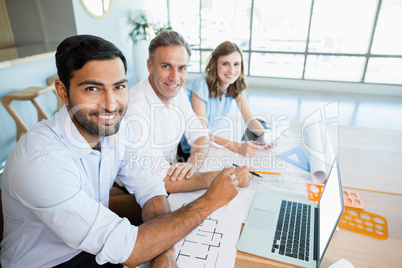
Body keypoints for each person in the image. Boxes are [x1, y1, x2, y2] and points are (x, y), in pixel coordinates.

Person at [0, 34, 243, 268]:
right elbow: (132, 250)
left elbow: (151, 188)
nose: (111, 104)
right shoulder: (40, 163)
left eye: (118, 87)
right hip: (54, 262)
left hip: (95, 247)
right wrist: (211, 200)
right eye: (93, 89)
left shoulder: (119, 129)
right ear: (63, 92)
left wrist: (164, 253)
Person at [125, 31, 253, 193]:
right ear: (150, 66)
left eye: (182, 68)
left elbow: (200, 135)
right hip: (138, 190)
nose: (175, 77)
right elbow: (160, 180)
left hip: (173, 169)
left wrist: (192, 165)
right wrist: (229, 176)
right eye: (166, 66)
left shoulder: (177, 93)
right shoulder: (135, 110)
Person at [181, 41, 272, 158]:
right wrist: (238, 147)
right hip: (192, 148)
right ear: (215, 65)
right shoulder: (200, 85)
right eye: (225, 64)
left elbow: (249, 119)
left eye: (236, 64)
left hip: (211, 143)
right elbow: (200, 133)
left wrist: (267, 136)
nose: (231, 70)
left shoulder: (236, 85)